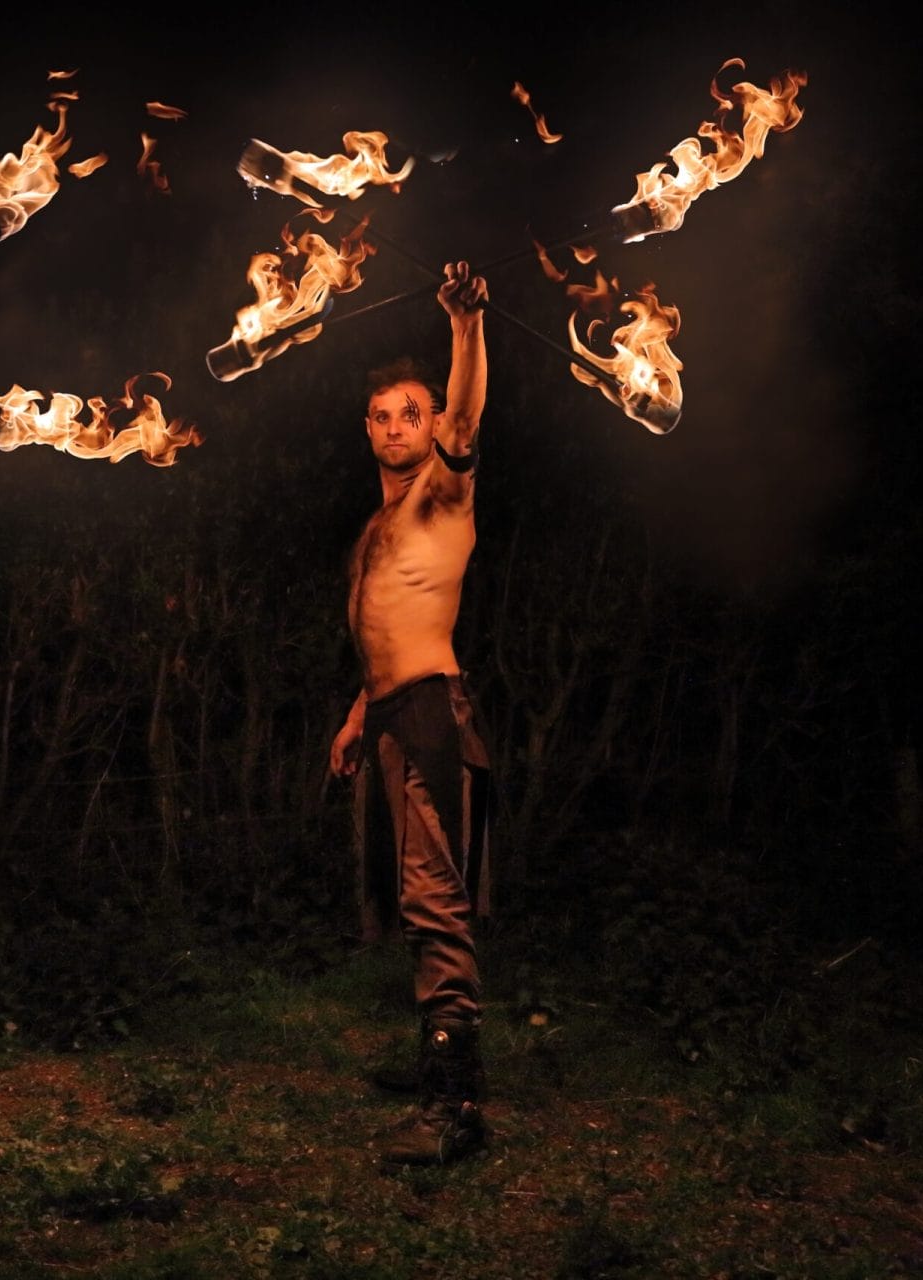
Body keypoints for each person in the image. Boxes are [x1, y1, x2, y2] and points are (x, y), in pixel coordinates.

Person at [328, 260, 494, 1166]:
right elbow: (383, 628)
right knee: (409, 898)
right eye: (383, 416)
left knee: (436, 902)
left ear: (431, 424)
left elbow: (467, 419)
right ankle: (438, 1067)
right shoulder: (379, 523)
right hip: (391, 715)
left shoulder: (442, 495)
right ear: (368, 429)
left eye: (411, 414)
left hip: (432, 716)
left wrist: (465, 326)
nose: (398, 428)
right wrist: (360, 715)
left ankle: (454, 1107)